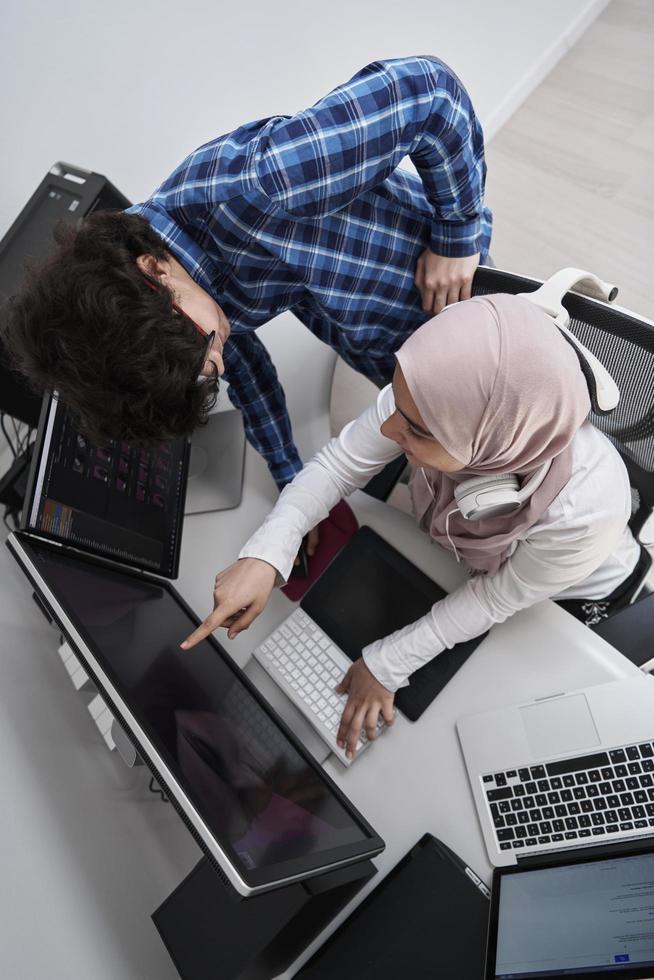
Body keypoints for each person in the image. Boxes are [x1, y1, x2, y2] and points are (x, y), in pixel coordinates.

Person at [2, 56, 491, 520]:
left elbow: (427, 91)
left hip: (456, 296)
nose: (217, 360)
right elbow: (245, 369)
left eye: (207, 347)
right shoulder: (178, 303)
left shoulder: (267, 183)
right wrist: (289, 477)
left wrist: (456, 232)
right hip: (384, 348)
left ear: (154, 270)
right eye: (205, 370)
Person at [180, 293, 644, 759]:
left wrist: (386, 665)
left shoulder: (584, 511)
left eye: (417, 431)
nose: (388, 430)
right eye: (398, 408)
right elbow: (339, 466)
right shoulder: (432, 392)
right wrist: (268, 551)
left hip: (574, 595)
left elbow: (495, 597)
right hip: (466, 562)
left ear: (495, 449)